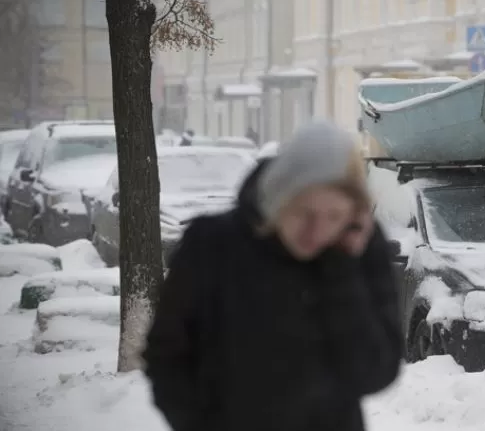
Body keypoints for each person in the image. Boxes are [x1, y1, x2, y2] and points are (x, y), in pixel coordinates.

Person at [142, 122, 403, 431]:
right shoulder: (213, 244)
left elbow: (375, 373)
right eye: (303, 213)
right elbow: (166, 354)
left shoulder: (358, 249)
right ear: (278, 196)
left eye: (334, 216)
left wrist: (340, 268)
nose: (316, 231)